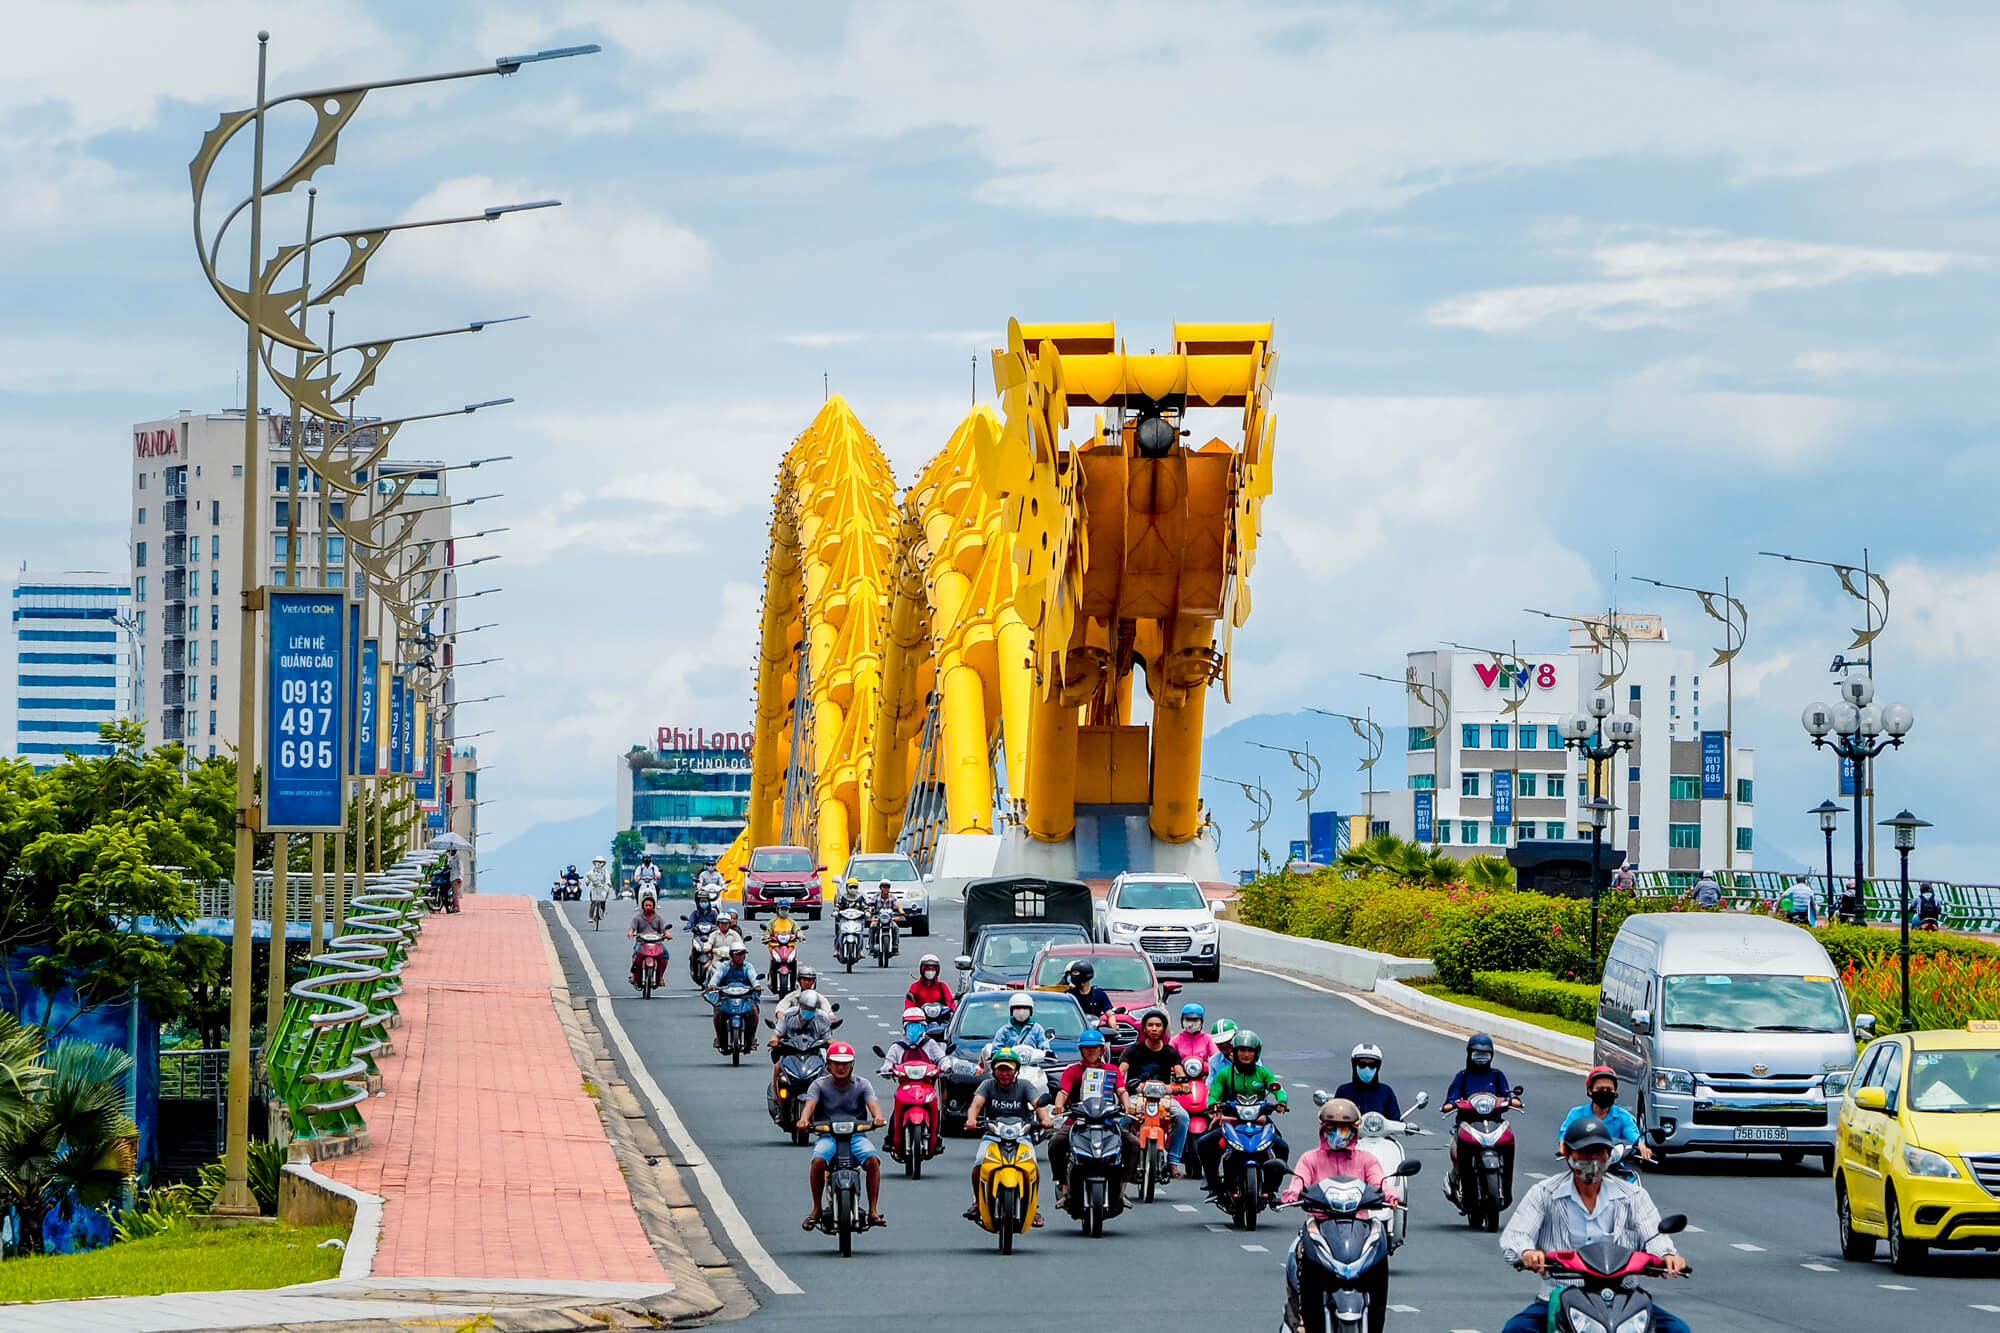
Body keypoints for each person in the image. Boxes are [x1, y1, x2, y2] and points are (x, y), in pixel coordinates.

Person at [1500, 1118, 1688, 1333]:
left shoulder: (1633, 1195)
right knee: (1516, 1329)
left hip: (1624, 1297)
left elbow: (1654, 1235)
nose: (1593, 1159)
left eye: (1599, 1152)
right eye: (1585, 1152)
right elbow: (1516, 1235)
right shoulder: (1544, 1193)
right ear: (1566, 1152)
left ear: (1609, 1155)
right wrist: (1527, 1252)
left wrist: (1667, 1256)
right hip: (1561, 1295)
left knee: (1678, 1330)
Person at [1282, 1098, 1400, 1333]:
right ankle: (1301, 1319)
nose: (1339, 1134)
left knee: (1380, 1251)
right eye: (1332, 1129)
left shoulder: (1366, 1159)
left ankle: (1377, 1324)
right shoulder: (1310, 1158)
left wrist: (1389, 1194)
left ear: (1354, 1131)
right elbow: (1299, 1181)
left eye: (1344, 1129)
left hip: (1360, 1226)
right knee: (1295, 1255)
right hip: (1320, 1225)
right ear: (1322, 1131)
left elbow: (1379, 1181)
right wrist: (1292, 1193)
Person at [796, 1043, 887, 1230]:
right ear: (828, 1064)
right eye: (836, 1062)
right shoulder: (818, 1085)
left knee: (872, 1162)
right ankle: (816, 1209)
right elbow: (809, 1106)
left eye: (845, 1063)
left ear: (852, 1064)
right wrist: (804, 1120)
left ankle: (873, 1210)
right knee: (818, 1162)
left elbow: (873, 1105)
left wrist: (878, 1118)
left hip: (856, 1137)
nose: (840, 1067)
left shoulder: (863, 1085)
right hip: (828, 1137)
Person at [963, 1047, 1053, 1225]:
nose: (1004, 1073)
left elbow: (1038, 1104)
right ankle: (977, 1203)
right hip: (993, 1136)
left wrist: (1045, 1119)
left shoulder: (1025, 1085)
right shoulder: (987, 1085)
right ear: (994, 1070)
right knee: (979, 1164)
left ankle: (1033, 1207)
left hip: (1021, 1136)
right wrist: (971, 1119)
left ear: (1016, 1070)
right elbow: (976, 1105)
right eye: (1000, 1069)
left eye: (1008, 1069)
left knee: (1032, 1166)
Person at [1047, 1028, 1135, 1209]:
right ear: (1081, 1050)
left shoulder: (1112, 1071)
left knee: (1132, 1143)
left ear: (1102, 1050)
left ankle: (1122, 1191)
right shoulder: (1072, 1071)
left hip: (1107, 1121)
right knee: (1056, 1143)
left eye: (1095, 1048)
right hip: (1077, 1121)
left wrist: (1128, 1105)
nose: (1091, 1051)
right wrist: (1059, 1106)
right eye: (1087, 1048)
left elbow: (1121, 1091)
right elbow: (1063, 1092)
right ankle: (1064, 1189)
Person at [1197, 1028, 1290, 1191]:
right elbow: (1214, 1093)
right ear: (1235, 1051)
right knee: (1204, 1143)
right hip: (1230, 1121)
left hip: (1259, 1120)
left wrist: (1281, 1101)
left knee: (1282, 1147)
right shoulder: (1225, 1074)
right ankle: (1213, 1183)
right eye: (1242, 1050)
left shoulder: (1263, 1073)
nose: (1246, 1054)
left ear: (1256, 1053)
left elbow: (1277, 1088)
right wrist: (1213, 1104)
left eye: (1250, 1051)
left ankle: (1272, 1186)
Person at [1445, 1033, 1520, 1203]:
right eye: (1477, 1054)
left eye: (1485, 1054)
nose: (1480, 1058)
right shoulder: (1462, 1076)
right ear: (1469, 1054)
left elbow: (1507, 1094)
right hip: (1467, 1125)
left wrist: (1512, 1100)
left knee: (1508, 1142)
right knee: (1456, 1153)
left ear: (1491, 1055)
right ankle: (1460, 1182)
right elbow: (1451, 1099)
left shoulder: (1497, 1075)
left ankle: (1505, 1185)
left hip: (1494, 1123)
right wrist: (1452, 1104)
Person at [1119, 1009, 1190, 1177]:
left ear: (1163, 1029)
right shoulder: (1132, 1050)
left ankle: (1173, 1161)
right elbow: (1121, 1071)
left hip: (1164, 1098)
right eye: (1150, 1025)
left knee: (1182, 1117)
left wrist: (1183, 1082)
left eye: (1158, 1025)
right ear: (1144, 1029)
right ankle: (1121, 1157)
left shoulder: (1170, 1052)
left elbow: (1179, 1072)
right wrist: (1121, 1083)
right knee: (1124, 1119)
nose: (1154, 1029)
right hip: (1138, 1096)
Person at [1558, 1066, 1650, 1162]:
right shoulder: (1577, 1113)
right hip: (1584, 1164)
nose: (1605, 1092)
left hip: (1614, 1165)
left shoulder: (1622, 1116)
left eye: (1609, 1089)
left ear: (1615, 1092)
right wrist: (1563, 1147)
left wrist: (1641, 1146)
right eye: (1600, 1089)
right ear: (1590, 1091)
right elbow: (1565, 1134)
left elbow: (1633, 1135)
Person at [770, 989, 832, 1100]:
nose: (808, 1011)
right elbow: (777, 1035)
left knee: (828, 1072)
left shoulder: (822, 1018)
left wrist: (834, 1045)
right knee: (777, 1067)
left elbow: (828, 1039)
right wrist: (774, 1041)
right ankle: (778, 1101)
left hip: (814, 1053)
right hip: (791, 1052)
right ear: (800, 1005)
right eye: (806, 1008)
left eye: (812, 1009)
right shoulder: (788, 1015)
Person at [703, 942, 763, 1051]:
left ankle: (752, 1037)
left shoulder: (748, 966)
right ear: (731, 955)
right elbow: (716, 977)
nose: (740, 957)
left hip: (745, 996)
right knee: (717, 1013)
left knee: (754, 1011)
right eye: (738, 954)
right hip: (726, 997)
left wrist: (756, 986)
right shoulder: (724, 966)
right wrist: (712, 985)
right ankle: (719, 1037)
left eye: (742, 954)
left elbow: (754, 977)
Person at [1335, 1042, 1403, 1120]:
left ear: (1378, 1067)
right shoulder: (1343, 1091)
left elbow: (1396, 1120)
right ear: (1354, 1065)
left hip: (1380, 1132)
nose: (1367, 1068)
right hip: (1349, 1132)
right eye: (1362, 1064)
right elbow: (1334, 1118)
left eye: (1372, 1065)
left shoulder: (1386, 1092)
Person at [880, 1005, 950, 1075]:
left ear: (924, 1026)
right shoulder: (897, 1047)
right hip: (905, 1082)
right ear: (905, 1027)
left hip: (927, 1081)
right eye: (911, 1026)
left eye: (918, 1025)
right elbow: (888, 1063)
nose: (914, 1029)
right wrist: (886, 1070)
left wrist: (947, 1067)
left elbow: (941, 1058)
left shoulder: (929, 1043)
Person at [985, 993, 1051, 1059]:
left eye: (1025, 1008)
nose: (1021, 1012)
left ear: (1030, 1011)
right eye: (1017, 1008)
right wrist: (995, 1055)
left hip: (1032, 1065)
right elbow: (997, 1048)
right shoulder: (1004, 1031)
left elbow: (1044, 1047)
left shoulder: (1037, 1029)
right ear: (1011, 1011)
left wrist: (1048, 1053)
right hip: (1010, 1065)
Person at [626, 892, 672, 986]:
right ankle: (634, 975)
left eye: (650, 905)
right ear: (642, 906)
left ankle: (661, 976)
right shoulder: (637, 917)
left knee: (666, 955)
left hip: (657, 943)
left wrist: (667, 934)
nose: (648, 907)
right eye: (646, 905)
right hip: (642, 942)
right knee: (635, 955)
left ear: (653, 906)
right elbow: (632, 928)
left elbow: (665, 929)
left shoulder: (659, 918)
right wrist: (630, 933)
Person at [1171, 1003, 1221, 1069]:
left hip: (1203, 1075)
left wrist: (1205, 1066)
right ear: (1182, 1021)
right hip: (1181, 1076)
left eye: (1195, 1020)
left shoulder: (1208, 1039)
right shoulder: (1175, 1040)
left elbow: (1216, 1058)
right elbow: (1167, 1060)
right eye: (1188, 1019)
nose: (1191, 1023)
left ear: (1201, 1022)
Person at [585, 855, 615, 925]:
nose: (599, 863)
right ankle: (590, 917)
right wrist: (587, 881)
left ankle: (603, 910)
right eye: (597, 862)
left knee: (603, 900)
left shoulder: (605, 871)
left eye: (600, 862)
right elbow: (589, 877)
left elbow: (607, 878)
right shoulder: (592, 870)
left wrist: (609, 883)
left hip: (602, 887)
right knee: (593, 902)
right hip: (594, 888)